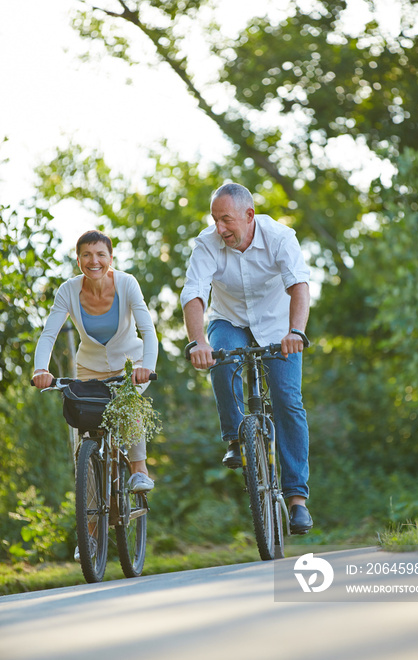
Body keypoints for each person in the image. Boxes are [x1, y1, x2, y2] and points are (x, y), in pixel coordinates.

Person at [180, 183, 313, 534]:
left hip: (278, 325)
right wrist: (197, 342)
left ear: (249, 215)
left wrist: (296, 332)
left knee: (288, 399)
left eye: (226, 220)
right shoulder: (207, 244)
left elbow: (299, 285)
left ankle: (297, 498)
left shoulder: (280, 237)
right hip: (230, 320)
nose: (220, 228)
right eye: (215, 220)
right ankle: (235, 439)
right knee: (221, 360)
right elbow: (193, 294)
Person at [32, 230, 158, 499]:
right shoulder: (68, 290)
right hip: (90, 370)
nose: (94, 260)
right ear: (78, 261)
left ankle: (139, 468)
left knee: (129, 400)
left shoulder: (127, 283)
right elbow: (49, 334)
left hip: (131, 365)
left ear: (110, 258)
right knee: (86, 440)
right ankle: (88, 534)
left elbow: (148, 330)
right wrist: (40, 369)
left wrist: (146, 365)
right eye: (87, 255)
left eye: (101, 254)